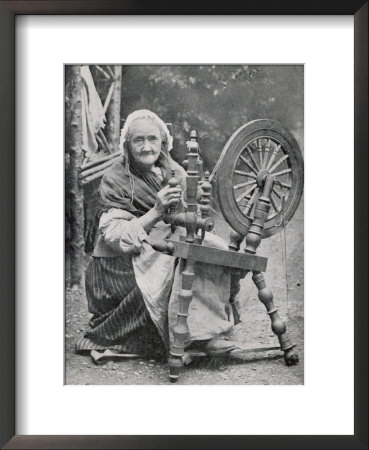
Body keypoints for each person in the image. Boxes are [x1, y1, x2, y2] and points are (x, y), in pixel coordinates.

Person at [76, 109, 238, 363]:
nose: (146, 147)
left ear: (163, 142)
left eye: (152, 139)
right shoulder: (115, 179)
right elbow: (117, 238)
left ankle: (207, 329)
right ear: (127, 146)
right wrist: (156, 210)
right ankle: (191, 338)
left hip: (156, 248)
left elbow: (187, 217)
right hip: (118, 266)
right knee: (178, 259)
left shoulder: (172, 170)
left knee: (212, 248)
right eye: (138, 140)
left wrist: (199, 204)